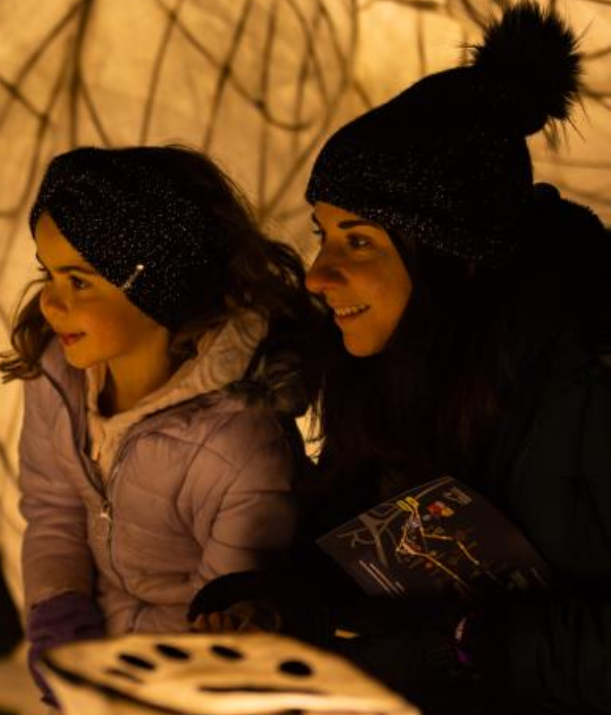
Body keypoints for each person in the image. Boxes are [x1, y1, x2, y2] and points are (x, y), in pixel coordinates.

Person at [189, 4, 611, 714]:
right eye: (322, 234)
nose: (318, 275)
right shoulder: (397, 369)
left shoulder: (588, 380)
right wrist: (274, 605)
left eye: (358, 241)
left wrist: (470, 644)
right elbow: (373, 554)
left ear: (452, 257)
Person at [0, 145, 324, 702]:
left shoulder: (239, 446)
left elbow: (226, 612)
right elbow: (54, 508)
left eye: (79, 281)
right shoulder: (58, 375)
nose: (51, 304)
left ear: (158, 285)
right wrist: (59, 624)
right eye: (48, 274)